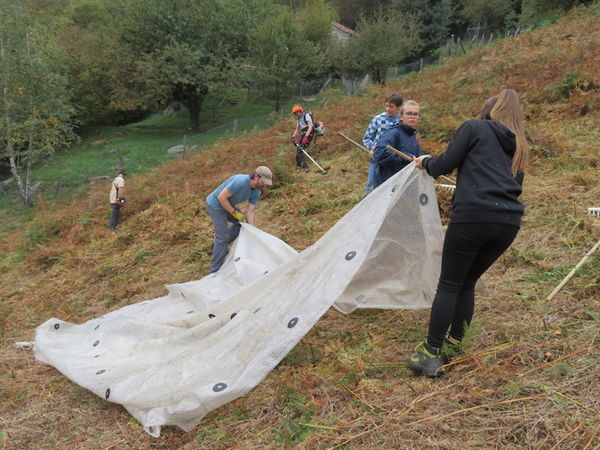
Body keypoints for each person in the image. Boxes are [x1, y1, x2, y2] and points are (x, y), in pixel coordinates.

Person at [407, 89, 529, 377]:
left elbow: (444, 165)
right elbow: (516, 184)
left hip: (473, 216)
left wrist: (424, 162)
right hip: (508, 223)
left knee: (449, 283)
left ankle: (430, 354)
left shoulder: (474, 127)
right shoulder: (520, 145)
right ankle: (455, 345)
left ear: (487, 113)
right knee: (467, 283)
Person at [205, 166, 273, 273]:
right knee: (222, 238)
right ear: (256, 176)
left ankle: (217, 245)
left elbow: (250, 211)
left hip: (228, 204)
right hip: (215, 205)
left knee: (242, 224)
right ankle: (215, 270)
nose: (264, 185)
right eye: (263, 181)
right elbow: (221, 198)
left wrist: (251, 230)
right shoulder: (240, 181)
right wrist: (234, 212)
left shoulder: (256, 192)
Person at [373, 100, 423, 188]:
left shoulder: (413, 137)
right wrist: (407, 157)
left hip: (405, 186)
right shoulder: (393, 133)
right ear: (401, 117)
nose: (412, 117)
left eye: (415, 114)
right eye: (408, 114)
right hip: (389, 187)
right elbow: (379, 153)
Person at [363, 93, 403, 194]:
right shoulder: (378, 119)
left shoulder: (402, 121)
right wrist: (373, 147)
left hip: (394, 159)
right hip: (377, 158)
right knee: (372, 184)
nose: (388, 109)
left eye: (391, 106)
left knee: (393, 186)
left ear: (398, 107)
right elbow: (366, 138)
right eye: (386, 106)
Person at [290, 105, 314, 172]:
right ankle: (299, 166)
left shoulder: (306, 115)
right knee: (299, 149)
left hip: (309, 133)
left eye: (297, 111)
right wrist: (293, 136)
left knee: (301, 149)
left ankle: (306, 167)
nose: (297, 113)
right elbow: (297, 129)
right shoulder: (298, 119)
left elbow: (310, 127)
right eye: (295, 112)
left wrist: (306, 137)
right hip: (303, 134)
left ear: (300, 110)